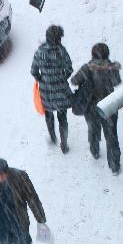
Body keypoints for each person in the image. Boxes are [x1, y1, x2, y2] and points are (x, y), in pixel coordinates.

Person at [71, 42, 121, 175]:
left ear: (92, 54)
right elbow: (117, 82)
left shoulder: (87, 68)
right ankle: (114, 165)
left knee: (93, 129)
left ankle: (95, 151)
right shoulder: (112, 68)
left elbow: (74, 81)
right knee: (111, 135)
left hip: (92, 106)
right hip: (109, 105)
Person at [31, 25, 73, 153]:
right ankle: (64, 144)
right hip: (61, 90)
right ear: (59, 38)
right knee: (63, 118)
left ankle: (53, 137)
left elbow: (33, 71)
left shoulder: (39, 52)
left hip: (46, 91)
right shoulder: (62, 52)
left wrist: (42, 79)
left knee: (49, 115)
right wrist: (61, 77)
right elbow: (69, 69)